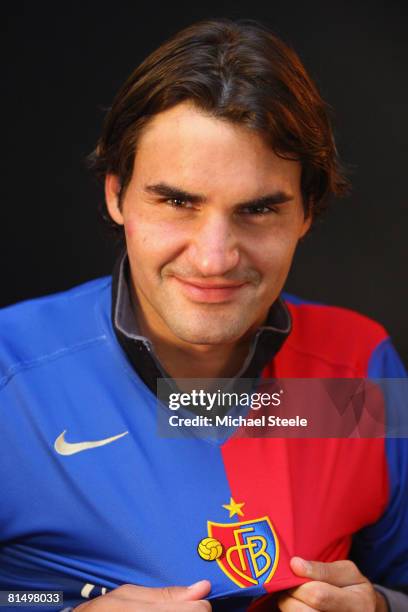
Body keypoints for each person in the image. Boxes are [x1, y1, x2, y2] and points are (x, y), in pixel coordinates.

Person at [0, 18, 407, 612]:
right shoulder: (11, 373)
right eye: (176, 202)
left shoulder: (360, 368)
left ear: (307, 213)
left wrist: (377, 606)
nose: (215, 258)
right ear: (116, 195)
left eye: (259, 209)